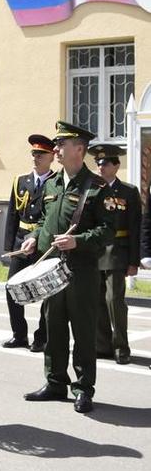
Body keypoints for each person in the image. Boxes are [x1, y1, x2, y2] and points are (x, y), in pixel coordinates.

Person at [21, 121, 114, 413]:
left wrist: (78, 241)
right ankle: (55, 382)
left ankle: (84, 388)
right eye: (57, 144)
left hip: (81, 271)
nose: (56, 149)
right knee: (54, 326)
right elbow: (43, 221)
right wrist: (34, 238)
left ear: (79, 148)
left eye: (61, 144)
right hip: (51, 269)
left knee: (83, 331)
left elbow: (108, 231)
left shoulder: (97, 187)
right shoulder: (51, 183)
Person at [1, 134, 56, 351]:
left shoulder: (55, 183)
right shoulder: (20, 181)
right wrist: (8, 246)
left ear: (52, 156)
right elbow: (13, 215)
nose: (36, 158)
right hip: (20, 242)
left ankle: (42, 337)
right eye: (34, 154)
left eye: (41, 154)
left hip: (44, 244)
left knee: (46, 292)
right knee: (11, 288)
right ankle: (19, 334)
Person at [90, 143, 141, 365]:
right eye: (98, 163)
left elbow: (135, 228)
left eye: (105, 163)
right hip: (94, 252)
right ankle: (102, 345)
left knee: (114, 301)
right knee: (97, 300)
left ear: (116, 165)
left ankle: (122, 347)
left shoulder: (128, 192)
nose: (100, 167)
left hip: (117, 252)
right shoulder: (92, 188)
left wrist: (134, 261)